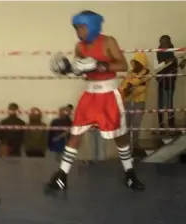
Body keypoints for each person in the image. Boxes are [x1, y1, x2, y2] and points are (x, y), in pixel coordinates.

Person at [48, 10, 144, 191]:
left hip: (108, 94)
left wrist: (101, 65)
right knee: (75, 133)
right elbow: (81, 71)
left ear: (92, 25)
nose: (80, 32)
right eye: (77, 28)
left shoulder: (108, 42)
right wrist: (68, 69)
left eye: (82, 27)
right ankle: (62, 176)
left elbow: (122, 65)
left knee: (119, 135)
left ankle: (130, 174)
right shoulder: (79, 47)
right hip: (90, 94)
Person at [119, 52, 151, 153]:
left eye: (135, 62)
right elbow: (123, 87)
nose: (133, 65)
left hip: (138, 103)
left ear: (140, 63)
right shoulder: (130, 73)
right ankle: (127, 149)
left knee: (136, 127)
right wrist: (129, 87)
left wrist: (131, 86)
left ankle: (135, 147)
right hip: (128, 102)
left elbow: (140, 88)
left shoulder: (147, 74)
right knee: (127, 127)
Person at [155, 35, 178, 131]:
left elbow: (178, 67)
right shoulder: (158, 53)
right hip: (161, 81)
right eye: (161, 42)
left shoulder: (172, 54)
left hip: (170, 81)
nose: (163, 44)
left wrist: (182, 61)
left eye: (165, 42)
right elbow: (156, 68)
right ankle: (161, 126)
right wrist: (165, 63)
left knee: (169, 104)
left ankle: (171, 126)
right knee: (160, 105)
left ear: (169, 42)